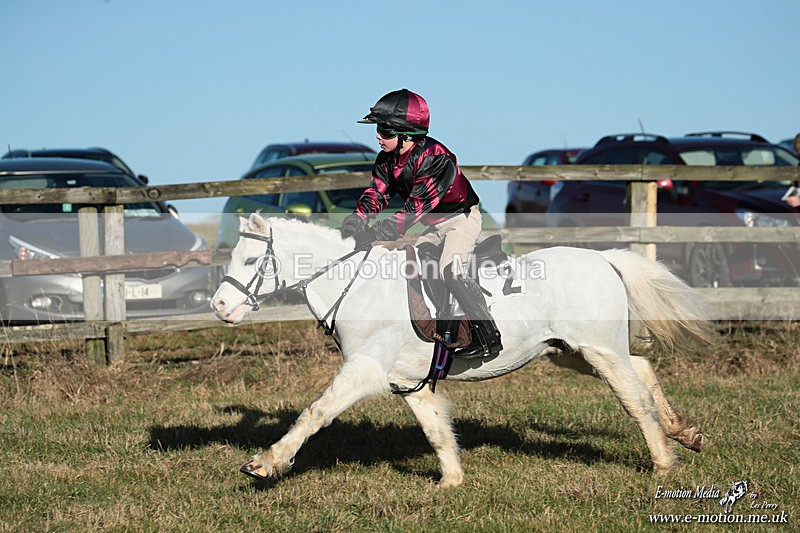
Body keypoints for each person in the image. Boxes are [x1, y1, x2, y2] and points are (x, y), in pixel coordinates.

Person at [339, 88, 502, 358]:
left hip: (460, 219)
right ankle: (445, 324)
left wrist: (376, 232)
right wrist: (356, 222)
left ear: (407, 135)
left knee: (450, 269)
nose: (379, 136)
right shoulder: (386, 160)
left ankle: (488, 337)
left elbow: (414, 209)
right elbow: (376, 193)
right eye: (378, 130)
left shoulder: (437, 158)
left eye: (386, 132)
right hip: (434, 226)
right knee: (418, 266)